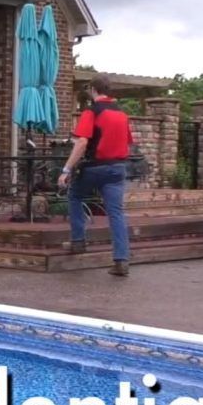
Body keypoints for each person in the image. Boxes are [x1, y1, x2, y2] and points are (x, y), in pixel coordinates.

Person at [57, 74, 134, 276]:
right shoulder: (122, 114)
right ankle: (121, 260)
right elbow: (126, 142)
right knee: (116, 213)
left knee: (74, 195)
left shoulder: (92, 112)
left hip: (94, 167)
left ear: (93, 90)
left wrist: (66, 170)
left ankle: (78, 241)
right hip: (117, 168)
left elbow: (82, 142)